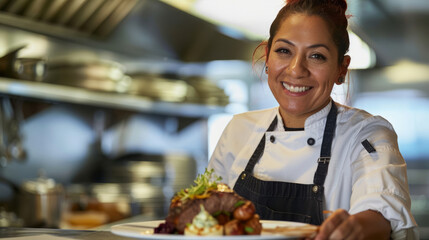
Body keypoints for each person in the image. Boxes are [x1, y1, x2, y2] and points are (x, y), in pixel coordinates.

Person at [208, 0, 418, 239]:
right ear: (267, 57)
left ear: (342, 68)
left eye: (317, 56)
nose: (297, 70)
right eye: (284, 51)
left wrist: (356, 228)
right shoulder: (239, 130)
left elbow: (381, 210)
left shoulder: (365, 134)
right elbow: (208, 221)